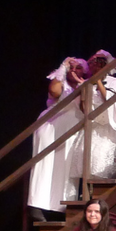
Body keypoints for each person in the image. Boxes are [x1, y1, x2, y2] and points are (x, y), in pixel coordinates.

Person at [26, 57, 85, 222]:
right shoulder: (61, 84)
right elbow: (54, 92)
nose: (74, 70)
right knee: (45, 165)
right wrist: (62, 68)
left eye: (79, 67)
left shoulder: (85, 86)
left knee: (66, 167)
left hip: (71, 132)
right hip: (51, 128)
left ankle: (61, 207)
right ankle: (36, 205)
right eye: (71, 67)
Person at [81, 51, 116, 179]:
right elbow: (84, 108)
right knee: (87, 161)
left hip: (108, 129)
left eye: (101, 62)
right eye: (94, 63)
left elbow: (110, 100)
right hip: (93, 128)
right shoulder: (87, 83)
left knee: (101, 162)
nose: (97, 65)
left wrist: (98, 81)